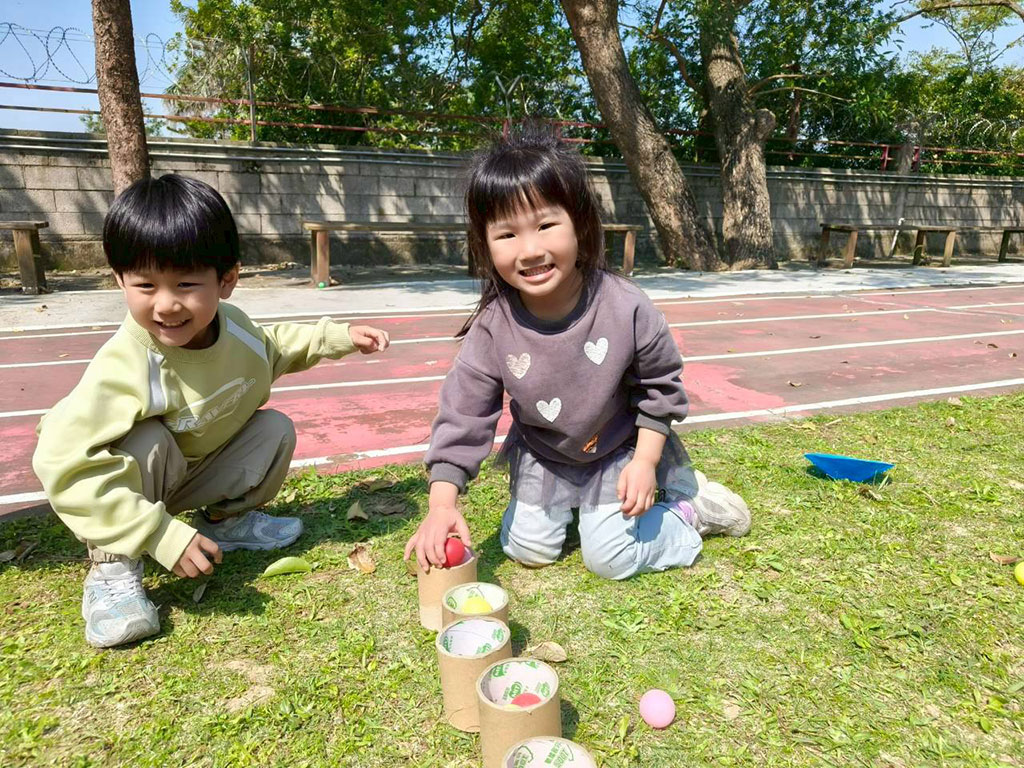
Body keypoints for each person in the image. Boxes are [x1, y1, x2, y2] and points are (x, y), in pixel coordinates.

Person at [33, 174, 390, 648]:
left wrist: (336, 337)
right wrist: (158, 534)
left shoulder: (233, 327)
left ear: (227, 281)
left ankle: (226, 522)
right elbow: (62, 460)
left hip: (194, 472)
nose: (166, 305)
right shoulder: (125, 364)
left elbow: (273, 347)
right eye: (145, 285)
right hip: (137, 486)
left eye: (185, 284)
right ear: (120, 280)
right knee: (146, 440)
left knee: (274, 429)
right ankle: (113, 568)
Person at [404, 129, 750, 578]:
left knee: (609, 559)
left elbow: (660, 390)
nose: (530, 250)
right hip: (544, 455)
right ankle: (574, 511)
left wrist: (645, 462)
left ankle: (689, 510)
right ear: (483, 244)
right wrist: (441, 505)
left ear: (579, 224)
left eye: (546, 225)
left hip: (619, 449)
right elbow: (464, 413)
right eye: (506, 234)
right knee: (526, 549)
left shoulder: (625, 306)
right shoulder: (493, 325)